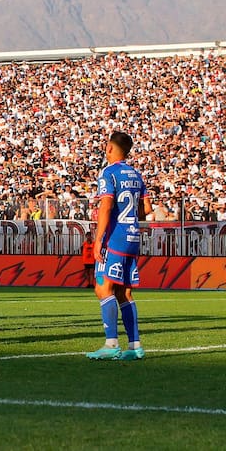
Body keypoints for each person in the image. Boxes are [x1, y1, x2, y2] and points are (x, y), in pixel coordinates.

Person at [87, 131, 152, 361]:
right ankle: (134, 346)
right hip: (133, 237)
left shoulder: (108, 173)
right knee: (124, 291)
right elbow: (146, 209)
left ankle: (111, 343)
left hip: (115, 238)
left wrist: (98, 240)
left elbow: (105, 206)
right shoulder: (136, 174)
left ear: (110, 149)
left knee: (103, 287)